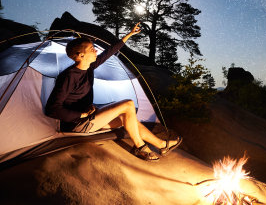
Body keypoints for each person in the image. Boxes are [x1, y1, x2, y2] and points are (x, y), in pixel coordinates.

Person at [45, 23, 181, 161]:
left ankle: (162, 145)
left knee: (127, 116)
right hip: (77, 124)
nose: (95, 51)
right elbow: (52, 109)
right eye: (91, 49)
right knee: (128, 104)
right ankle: (140, 147)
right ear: (80, 55)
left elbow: (108, 52)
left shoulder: (89, 68)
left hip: (90, 115)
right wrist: (81, 114)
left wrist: (129, 34)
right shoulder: (68, 77)